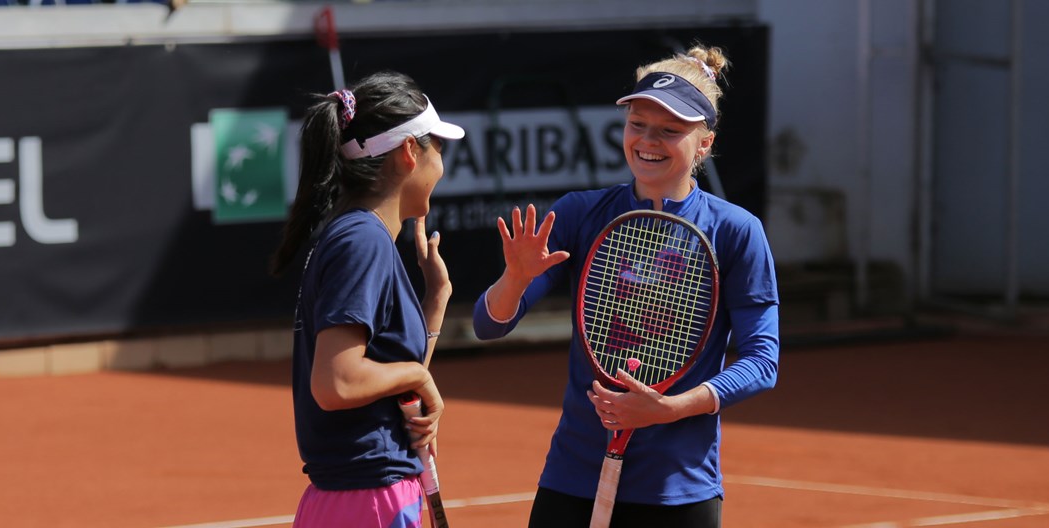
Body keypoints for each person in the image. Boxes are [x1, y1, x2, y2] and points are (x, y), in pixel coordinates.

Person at [472, 44, 780, 527]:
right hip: (572, 477)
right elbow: (488, 326)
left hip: (678, 489)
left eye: (670, 131)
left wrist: (670, 408)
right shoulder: (579, 213)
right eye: (637, 124)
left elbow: (763, 361)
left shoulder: (737, 231)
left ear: (704, 143)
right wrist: (514, 279)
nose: (648, 140)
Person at [269, 71, 465, 528]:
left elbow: (386, 378)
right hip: (368, 501)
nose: (443, 163)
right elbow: (337, 383)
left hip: (366, 495)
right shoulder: (362, 241)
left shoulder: (356, 235)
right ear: (409, 153)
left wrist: (435, 301)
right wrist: (419, 373)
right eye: (439, 147)